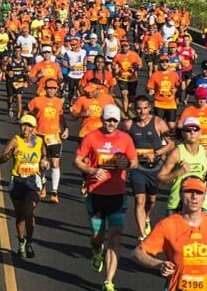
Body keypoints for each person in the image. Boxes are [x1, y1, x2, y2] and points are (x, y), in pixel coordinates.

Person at [73, 104, 137, 290]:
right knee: (97, 236)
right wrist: (92, 170)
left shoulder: (125, 139)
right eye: (108, 119)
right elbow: (76, 160)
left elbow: (134, 162)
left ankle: (108, 281)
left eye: (114, 120)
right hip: (96, 194)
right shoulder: (91, 137)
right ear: (102, 119)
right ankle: (96, 250)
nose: (111, 123)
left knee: (115, 237)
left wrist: (125, 164)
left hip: (117, 195)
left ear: (118, 121)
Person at [132, 177, 207, 291]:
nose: (194, 197)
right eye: (189, 191)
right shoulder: (166, 225)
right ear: (180, 195)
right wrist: (159, 264)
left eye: (199, 192)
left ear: (204, 196)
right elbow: (137, 253)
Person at [0, 114, 50, 258]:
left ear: (34, 128)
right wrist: (10, 154)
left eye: (29, 126)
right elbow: (1, 160)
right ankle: (21, 241)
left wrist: (45, 162)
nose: (25, 128)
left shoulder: (40, 142)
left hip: (33, 181)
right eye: (23, 125)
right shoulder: (15, 140)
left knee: (29, 211)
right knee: (20, 216)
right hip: (17, 181)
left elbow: (45, 158)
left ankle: (29, 242)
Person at [122, 96, 173, 241]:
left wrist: (156, 154)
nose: (142, 111)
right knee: (139, 200)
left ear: (149, 108)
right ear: (134, 109)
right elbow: (119, 139)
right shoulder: (128, 124)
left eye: (145, 108)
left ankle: (147, 217)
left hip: (155, 168)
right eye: (138, 108)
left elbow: (170, 144)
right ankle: (143, 236)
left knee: (151, 200)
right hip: (137, 168)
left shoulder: (158, 122)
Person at [158, 117, 207, 215]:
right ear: (183, 133)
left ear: (200, 132)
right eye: (188, 130)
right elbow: (160, 178)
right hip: (177, 205)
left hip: (201, 206)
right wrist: (177, 172)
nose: (192, 132)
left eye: (195, 129)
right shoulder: (176, 153)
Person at [28, 80, 68, 203]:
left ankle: (54, 192)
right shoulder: (37, 100)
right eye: (49, 88)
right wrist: (30, 127)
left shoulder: (59, 102)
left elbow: (60, 116)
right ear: (45, 88)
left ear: (57, 89)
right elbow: (25, 111)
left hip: (54, 136)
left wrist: (65, 128)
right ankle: (43, 185)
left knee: (55, 164)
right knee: (41, 164)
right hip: (39, 136)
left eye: (54, 88)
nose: (51, 90)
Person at [146, 55, 180, 129]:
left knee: (171, 126)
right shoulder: (155, 75)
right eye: (162, 62)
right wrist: (150, 91)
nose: (164, 63)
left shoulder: (174, 75)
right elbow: (149, 87)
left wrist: (177, 94)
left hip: (171, 102)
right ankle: (161, 139)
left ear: (169, 63)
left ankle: (171, 138)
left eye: (166, 61)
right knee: (160, 125)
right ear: (159, 63)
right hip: (159, 103)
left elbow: (179, 87)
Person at [112, 41, 142, 115]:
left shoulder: (134, 55)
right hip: (122, 78)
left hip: (132, 78)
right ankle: (126, 113)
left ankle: (129, 105)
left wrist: (135, 68)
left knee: (131, 98)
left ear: (129, 47)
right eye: (123, 46)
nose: (124, 48)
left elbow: (140, 65)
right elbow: (113, 65)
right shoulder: (118, 56)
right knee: (124, 94)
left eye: (126, 46)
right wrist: (115, 69)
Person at [61, 37, 88, 106]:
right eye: (71, 45)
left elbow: (85, 58)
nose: (72, 46)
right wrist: (70, 67)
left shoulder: (83, 51)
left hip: (80, 75)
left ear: (78, 44)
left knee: (80, 91)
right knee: (71, 91)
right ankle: (69, 103)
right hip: (72, 75)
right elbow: (64, 63)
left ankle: (79, 104)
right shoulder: (68, 53)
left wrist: (85, 66)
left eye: (74, 45)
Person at [4, 50, 29, 118]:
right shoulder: (10, 59)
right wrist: (7, 72)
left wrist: (26, 80)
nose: (17, 53)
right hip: (10, 81)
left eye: (18, 51)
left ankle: (18, 115)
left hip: (19, 81)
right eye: (16, 52)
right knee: (10, 97)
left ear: (21, 52)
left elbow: (25, 71)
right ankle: (10, 107)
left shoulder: (24, 60)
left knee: (19, 97)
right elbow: (3, 66)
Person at [179, 34, 197, 104]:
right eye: (185, 40)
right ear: (183, 41)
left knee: (188, 87)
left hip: (188, 70)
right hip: (181, 70)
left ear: (189, 41)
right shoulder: (180, 49)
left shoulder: (192, 51)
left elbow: (193, 62)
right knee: (182, 87)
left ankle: (185, 100)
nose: (186, 42)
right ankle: (179, 95)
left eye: (187, 40)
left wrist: (195, 59)